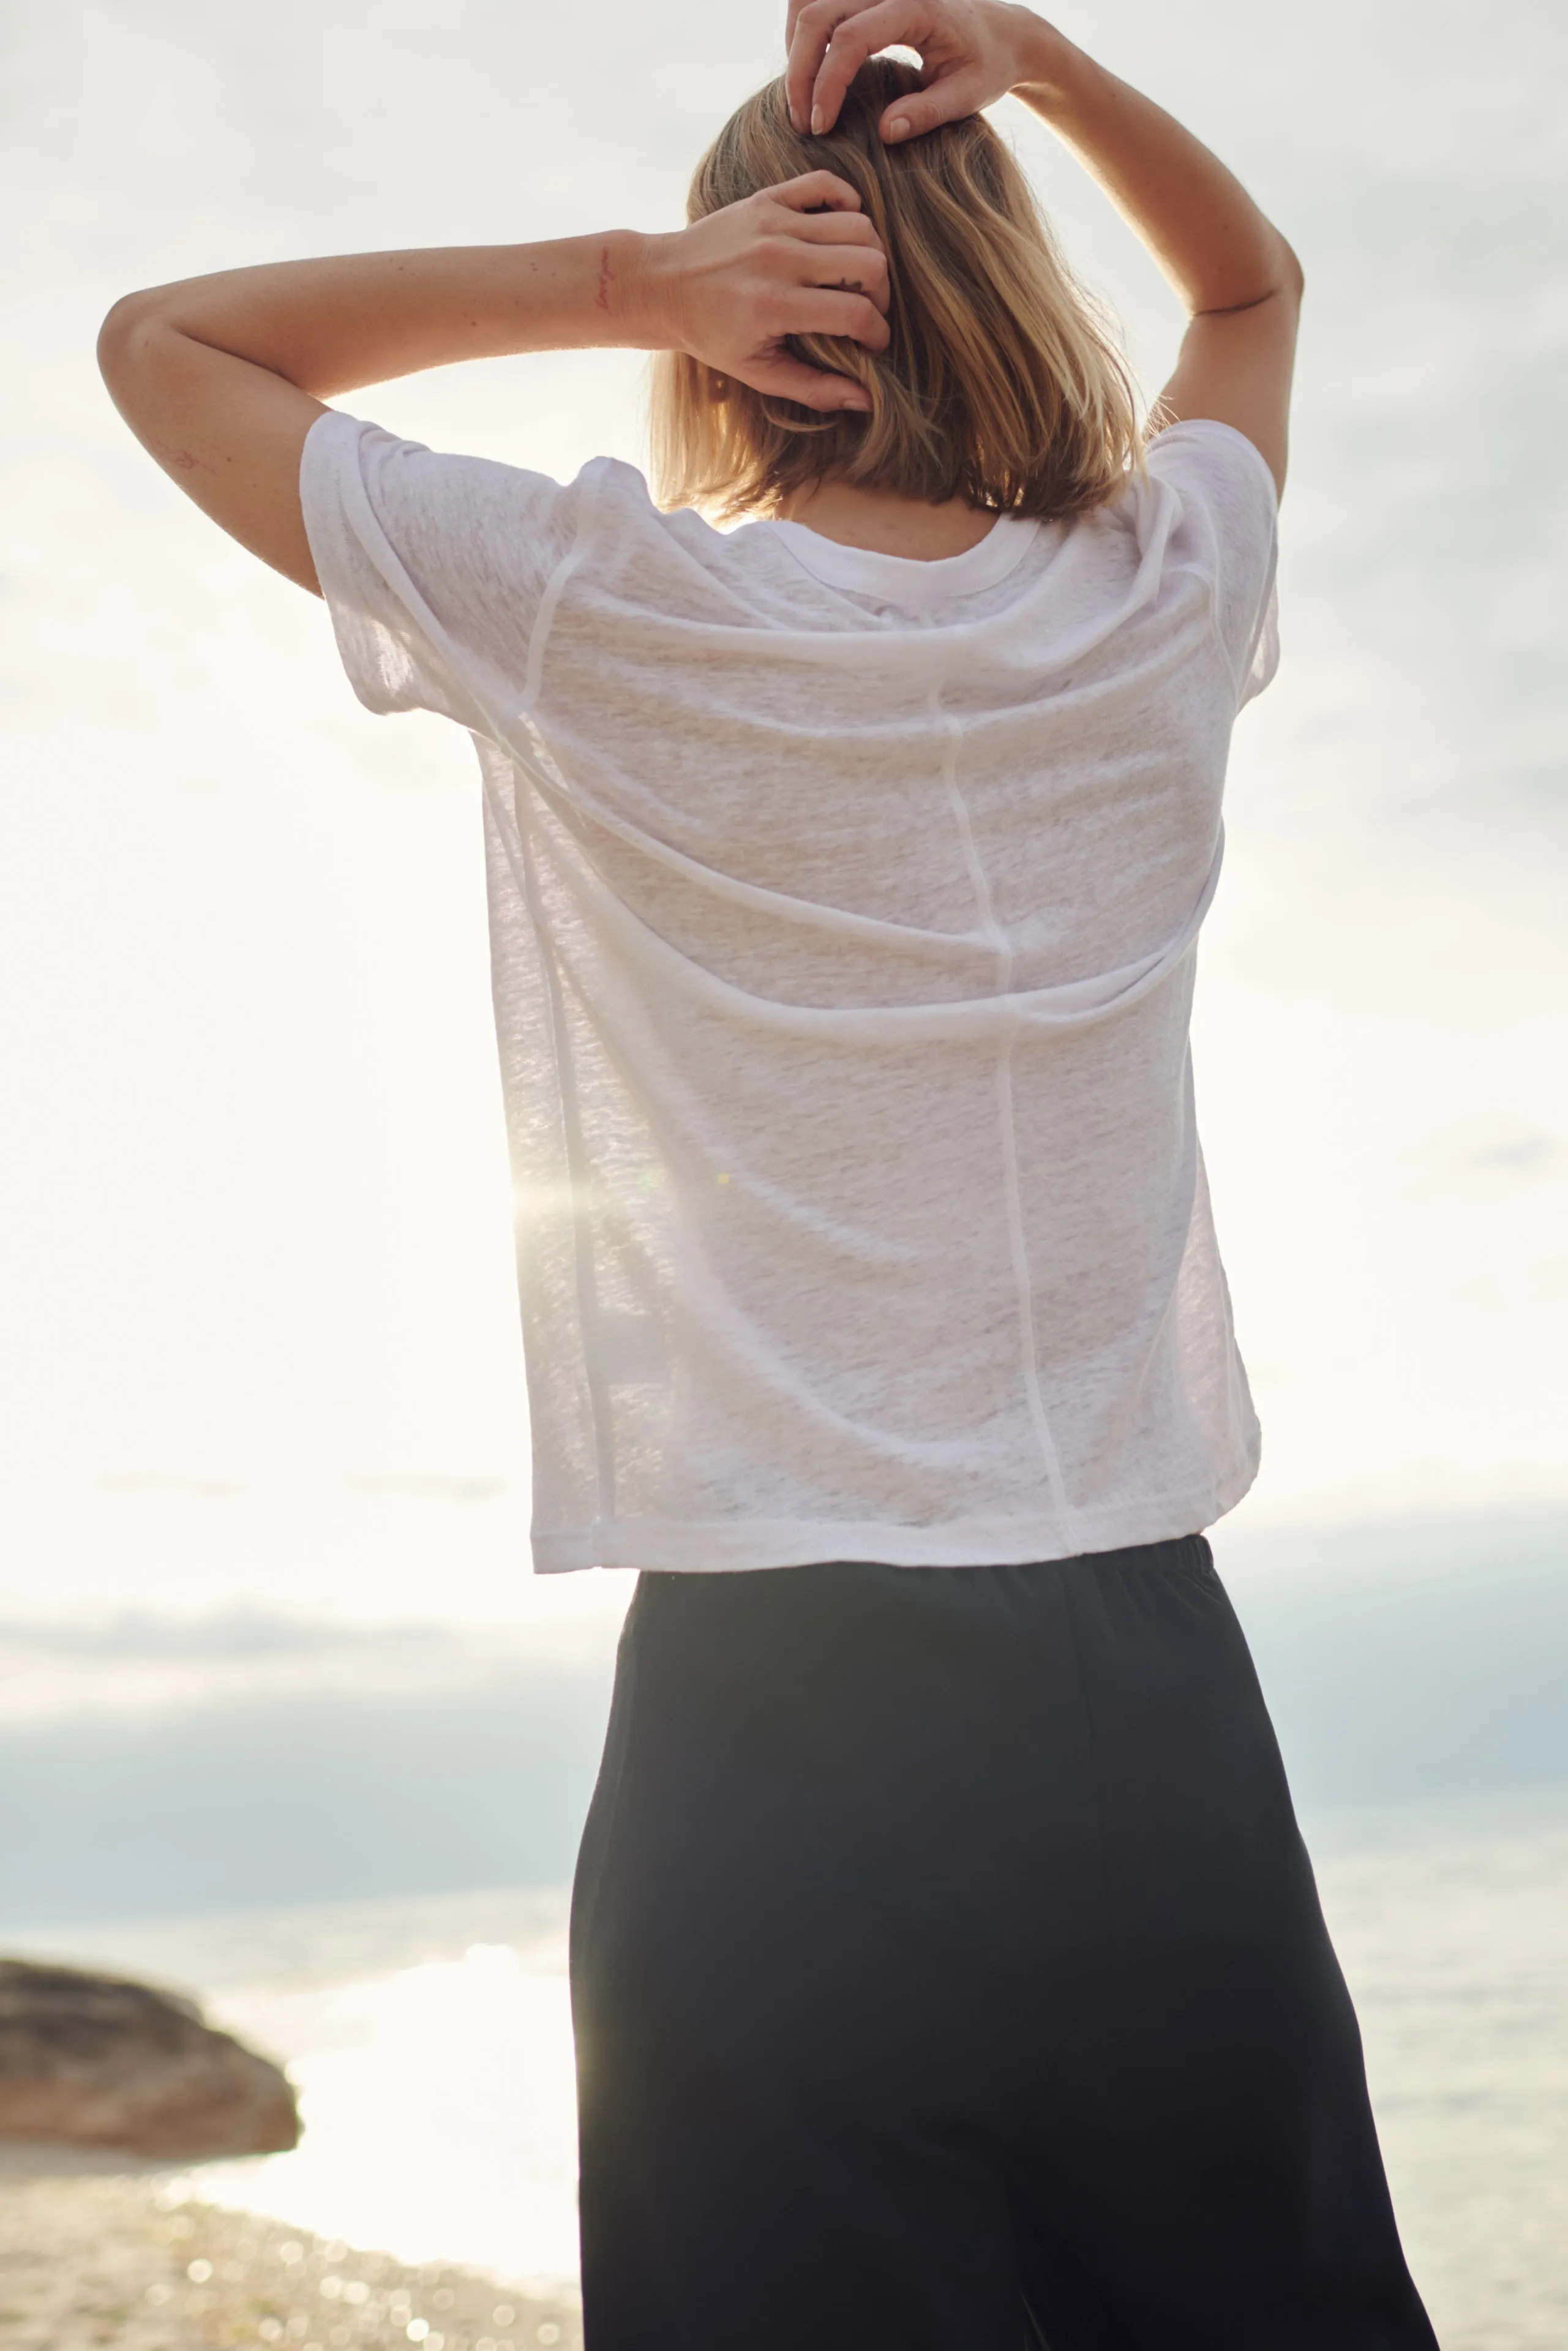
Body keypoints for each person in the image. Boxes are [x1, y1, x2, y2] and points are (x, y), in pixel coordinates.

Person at [99, 3, 1441, 2344]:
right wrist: (1044, 63)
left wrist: (636, 284)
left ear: (746, 317)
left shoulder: (600, 603)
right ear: (1010, 275)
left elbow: (169, 347)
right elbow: (1250, 292)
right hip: (1146, 1690)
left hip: (778, 1708)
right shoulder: (1157, 591)